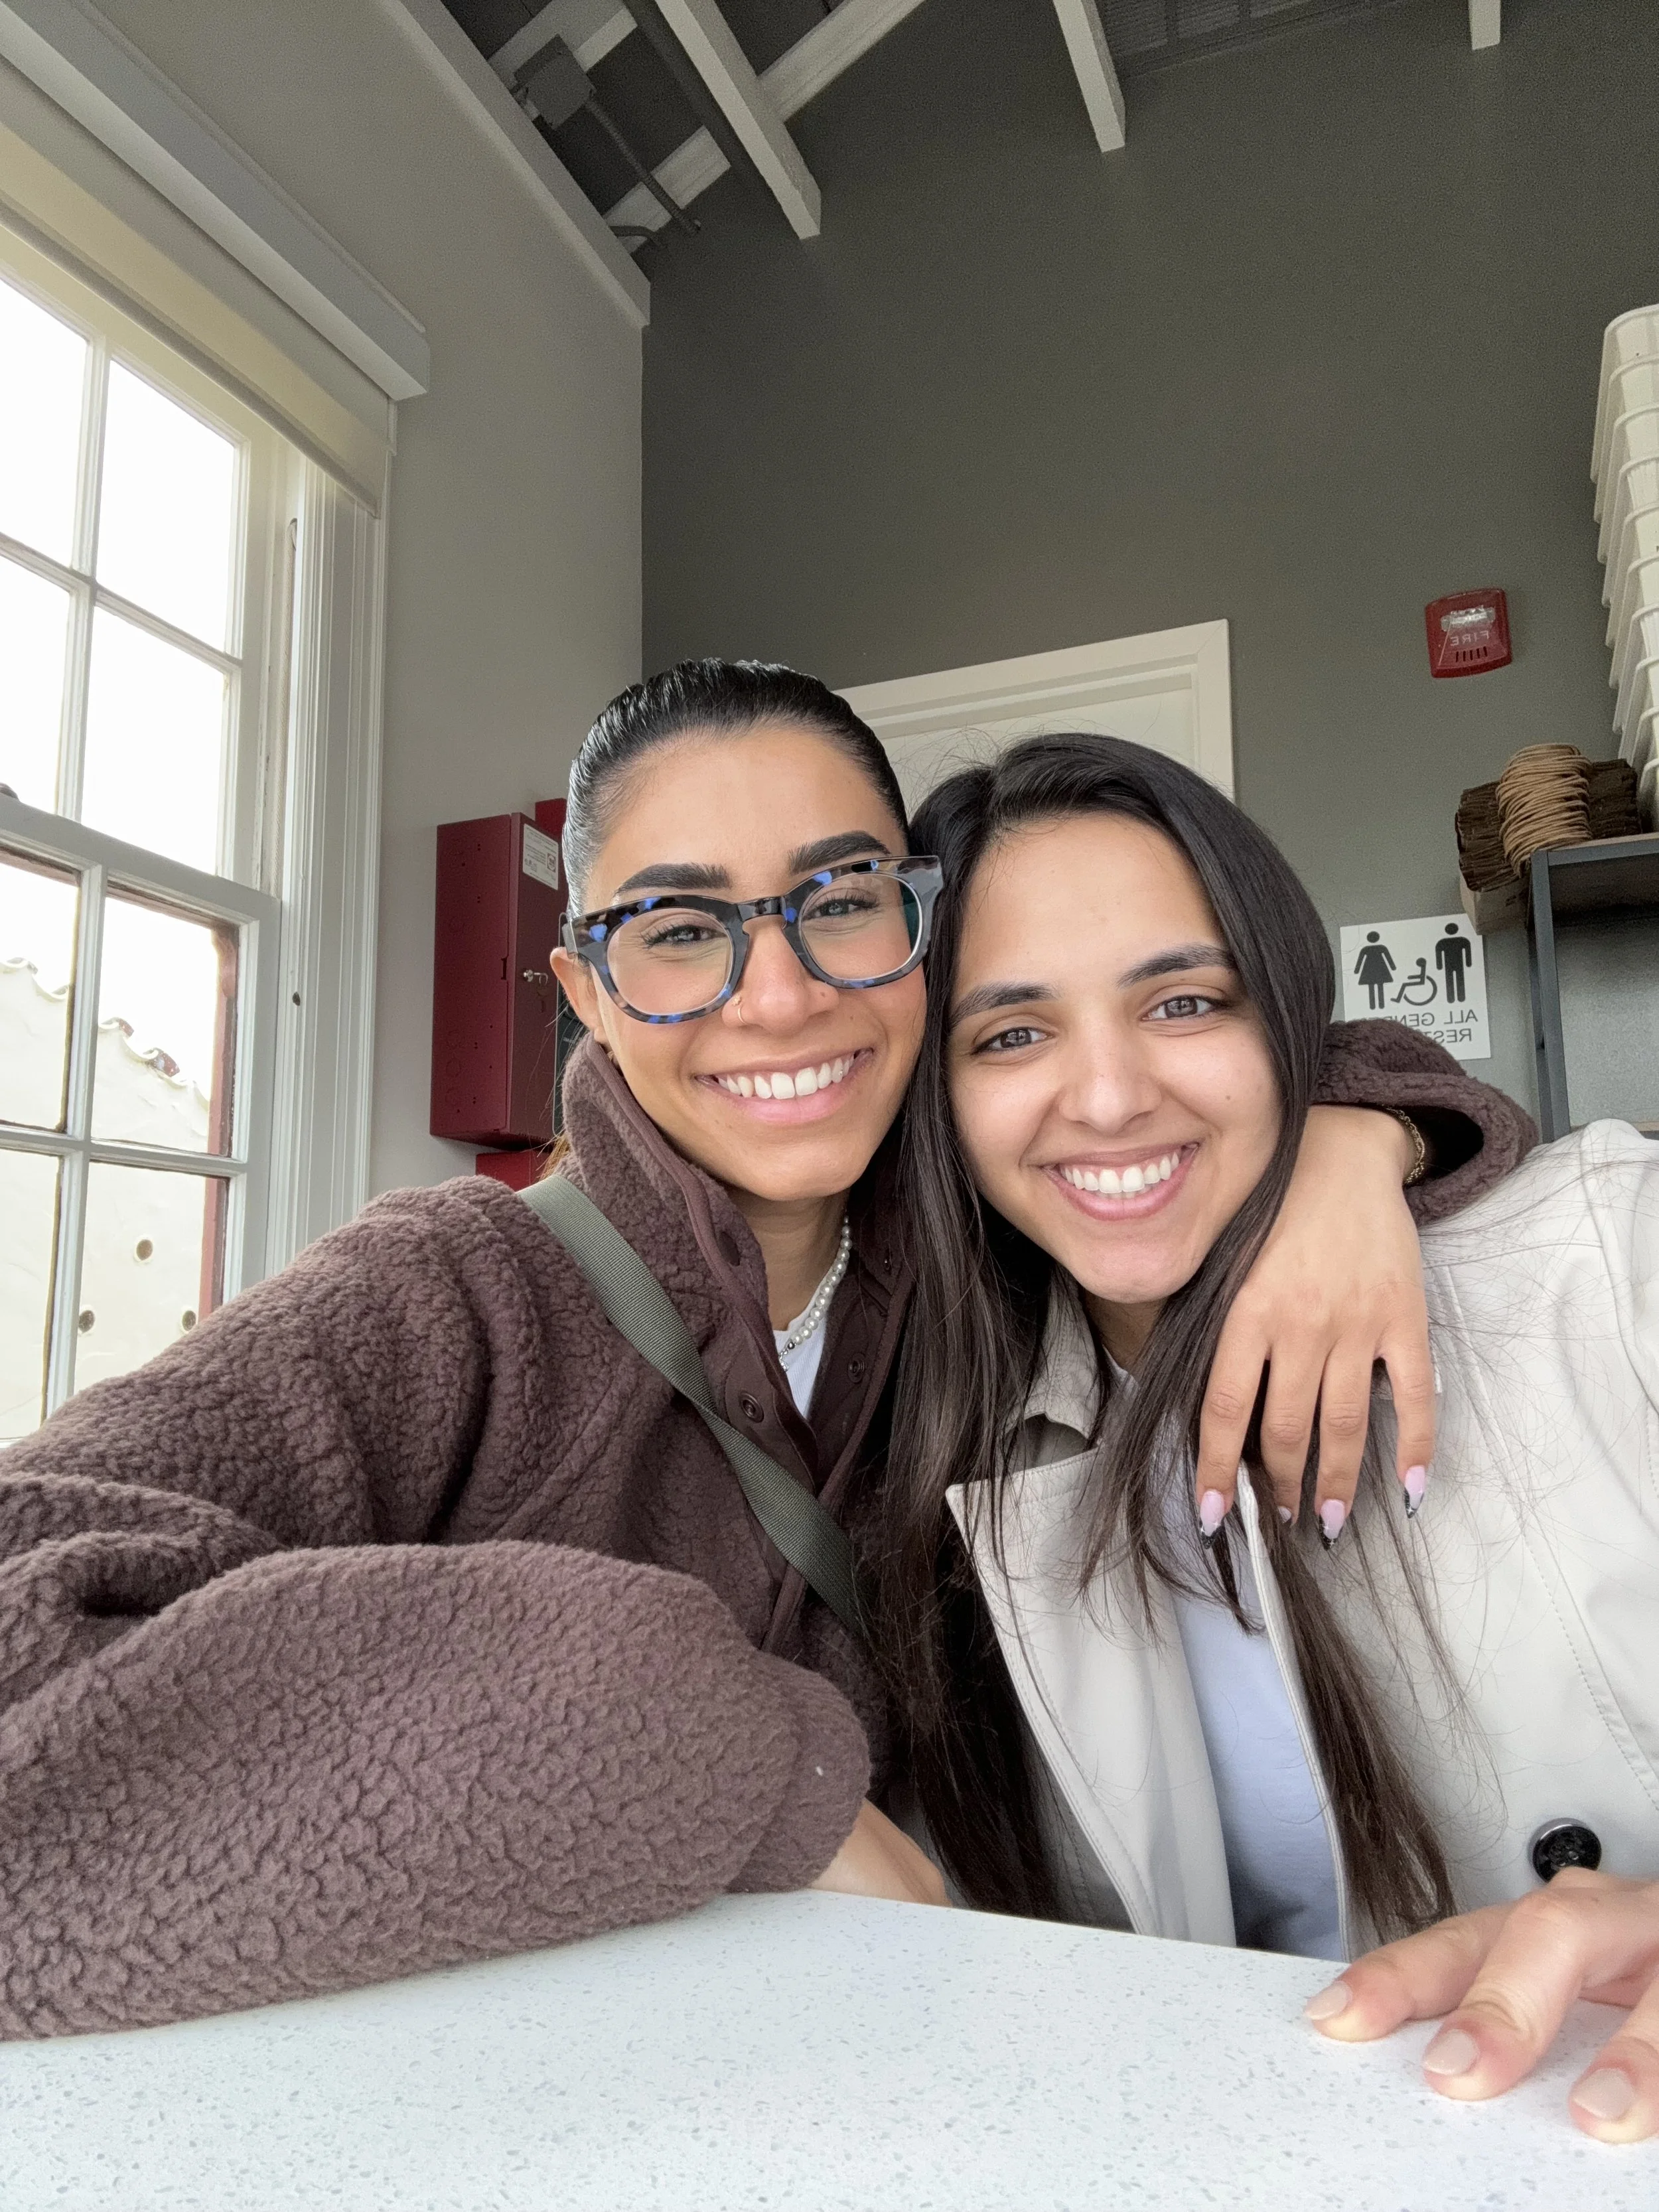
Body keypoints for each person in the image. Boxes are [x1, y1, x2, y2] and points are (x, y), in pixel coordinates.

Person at [0, 665, 1523, 2038]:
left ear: (922, 924)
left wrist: (1356, 1138)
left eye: (839, 898)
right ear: (587, 991)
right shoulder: (449, 1295)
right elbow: (28, 1608)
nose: (779, 993)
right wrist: (742, 1753)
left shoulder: (1001, 1246)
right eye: (677, 932)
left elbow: (1229, 1062)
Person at [878, 729, 1656, 2144]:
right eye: (1008, 1033)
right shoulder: (956, 1455)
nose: (1106, 1096)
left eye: (1181, 1003)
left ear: (1287, 1019)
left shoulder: (1599, 1262)